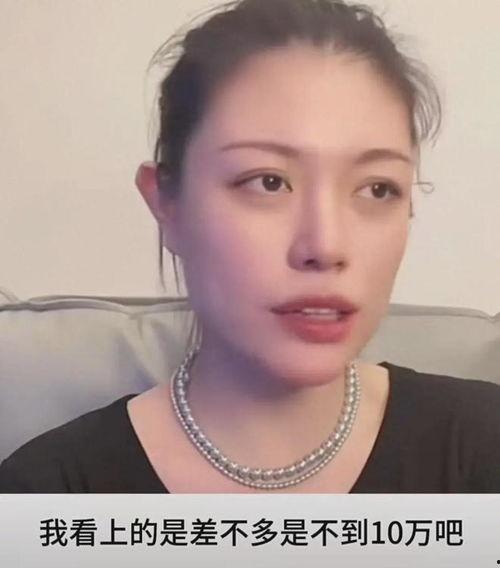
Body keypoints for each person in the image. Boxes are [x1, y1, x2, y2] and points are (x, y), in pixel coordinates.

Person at [0, 0, 499, 493]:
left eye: (377, 189)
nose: (326, 246)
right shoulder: (48, 491)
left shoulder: (482, 445)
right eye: (268, 182)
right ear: (167, 203)